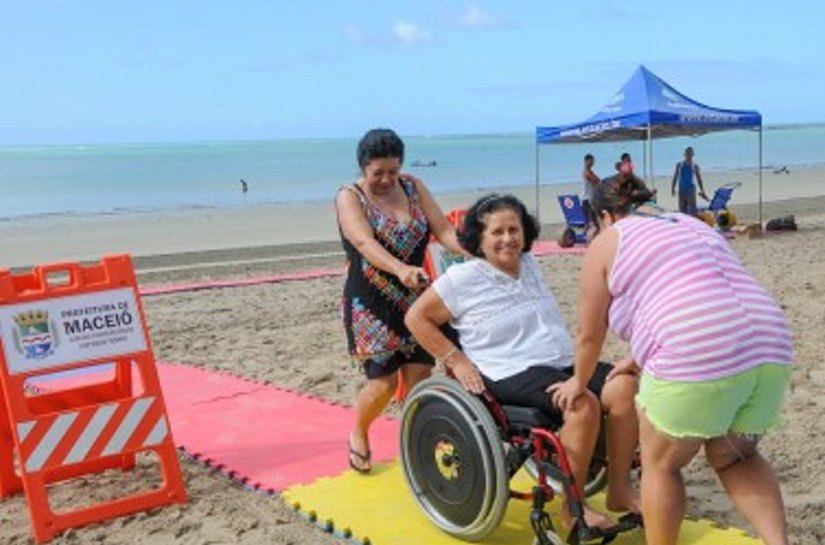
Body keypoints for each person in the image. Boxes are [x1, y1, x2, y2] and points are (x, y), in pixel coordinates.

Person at [551, 176, 794, 545]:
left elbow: (589, 334)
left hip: (696, 346)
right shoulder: (692, 224)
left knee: (661, 465)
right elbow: (698, 288)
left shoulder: (608, 242)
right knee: (735, 458)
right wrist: (639, 355)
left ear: (605, 216)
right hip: (769, 341)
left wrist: (578, 382)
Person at [405, 193, 640, 532]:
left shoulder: (530, 263)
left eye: (514, 230)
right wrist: (456, 361)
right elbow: (416, 318)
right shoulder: (463, 278)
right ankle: (573, 509)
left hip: (560, 360)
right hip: (509, 369)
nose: (508, 239)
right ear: (479, 239)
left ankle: (619, 489)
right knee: (581, 403)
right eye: (497, 232)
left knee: (624, 386)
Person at [335, 128, 466, 474]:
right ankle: (359, 431)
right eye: (378, 173)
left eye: (392, 171)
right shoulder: (350, 197)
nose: (386, 179)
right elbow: (364, 244)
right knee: (383, 382)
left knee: (419, 374)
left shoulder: (413, 186)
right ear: (364, 168)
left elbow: (443, 229)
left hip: (417, 300)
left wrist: (477, 251)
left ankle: (414, 442)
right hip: (370, 303)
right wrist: (400, 269)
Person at [670, 146, 707, 215]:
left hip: (690, 190)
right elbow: (675, 177)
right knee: (682, 211)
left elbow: (699, 179)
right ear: (684, 155)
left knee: (693, 211)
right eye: (687, 154)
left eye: (690, 154)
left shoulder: (694, 166)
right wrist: (672, 188)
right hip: (681, 190)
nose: (689, 156)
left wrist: (702, 190)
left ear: (693, 155)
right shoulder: (679, 165)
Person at [581, 154, 600, 222]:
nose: (592, 163)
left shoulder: (590, 172)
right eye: (591, 161)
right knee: (592, 222)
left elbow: (598, 181)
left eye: (593, 161)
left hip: (588, 200)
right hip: (588, 200)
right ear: (586, 161)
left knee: (591, 222)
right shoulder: (587, 173)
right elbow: (597, 182)